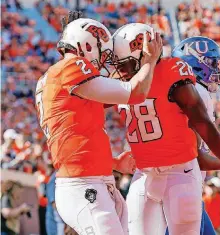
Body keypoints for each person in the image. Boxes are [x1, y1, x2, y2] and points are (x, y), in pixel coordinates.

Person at [112, 24, 220, 235]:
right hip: (169, 177)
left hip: (159, 177)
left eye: (123, 64)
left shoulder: (165, 78)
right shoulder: (147, 81)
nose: (120, 70)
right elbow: (202, 137)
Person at [35, 11, 162, 235]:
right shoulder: (71, 67)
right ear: (87, 45)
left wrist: (112, 163)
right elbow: (134, 92)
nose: (104, 61)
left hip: (90, 181)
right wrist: (150, 61)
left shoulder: (59, 78)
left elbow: (77, 133)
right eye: (103, 53)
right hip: (82, 185)